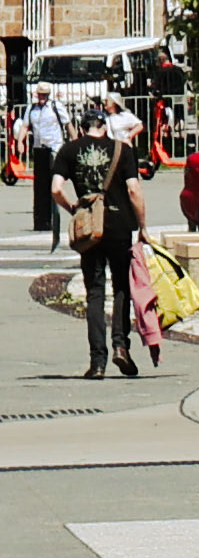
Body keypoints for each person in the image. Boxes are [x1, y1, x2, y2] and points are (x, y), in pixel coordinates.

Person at [52, 104, 151, 378]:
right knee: (121, 286)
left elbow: (55, 188)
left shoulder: (69, 151)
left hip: (89, 228)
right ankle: (121, 346)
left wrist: (73, 207)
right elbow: (133, 189)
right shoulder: (123, 150)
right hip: (119, 225)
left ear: (83, 128)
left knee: (95, 292)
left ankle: (97, 362)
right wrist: (142, 226)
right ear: (105, 127)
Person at [22, 86, 67, 241]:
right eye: (39, 94)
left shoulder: (56, 107)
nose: (41, 97)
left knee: (52, 183)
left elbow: (67, 124)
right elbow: (25, 126)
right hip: (39, 148)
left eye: (44, 95)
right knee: (39, 185)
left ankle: (53, 219)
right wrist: (20, 141)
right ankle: (41, 221)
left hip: (54, 147)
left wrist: (75, 142)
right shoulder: (32, 109)